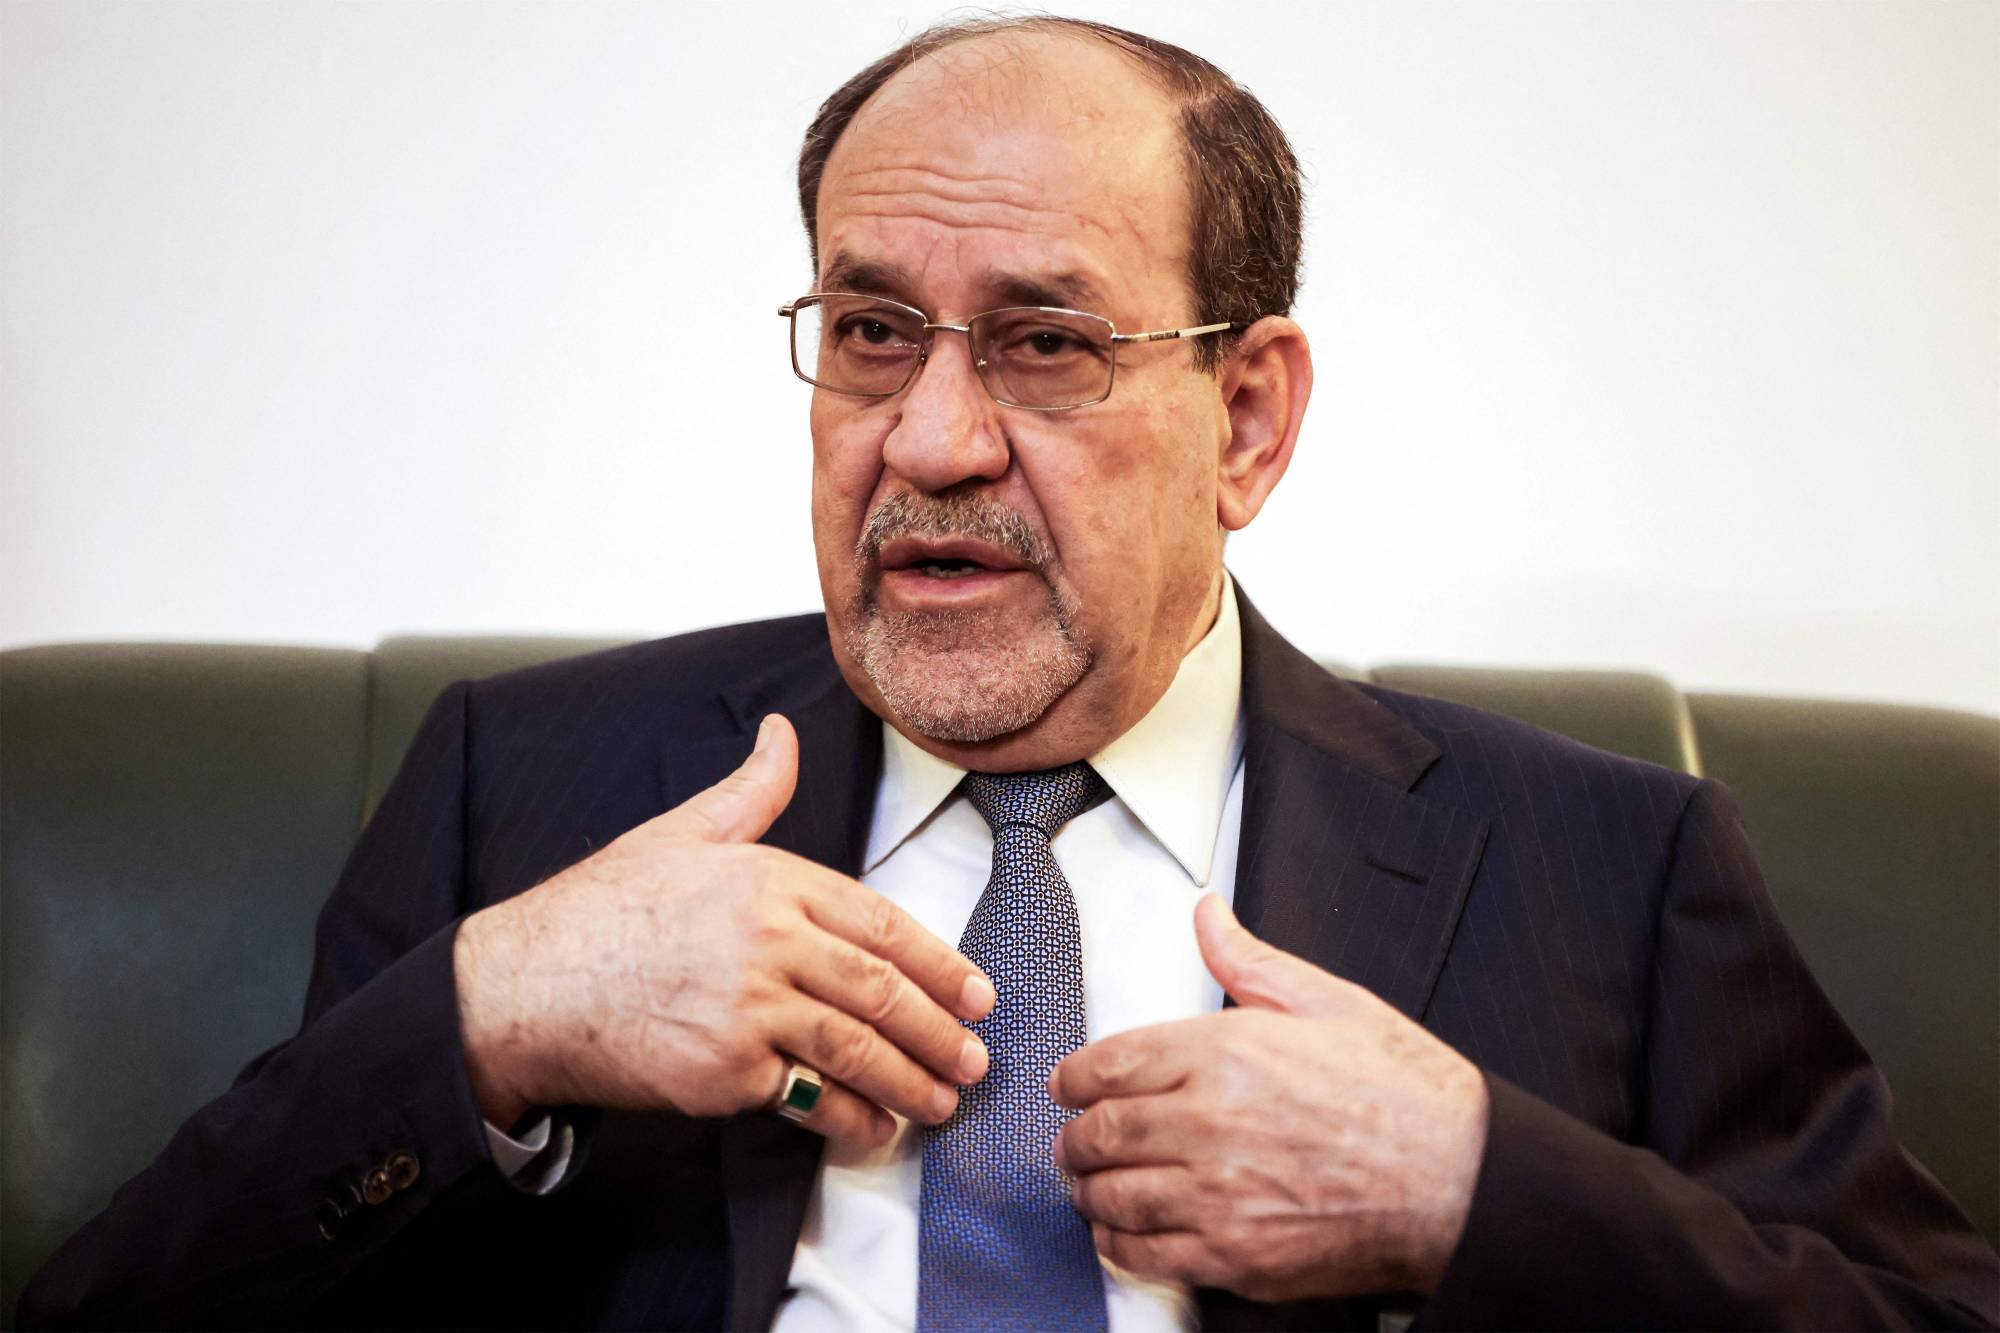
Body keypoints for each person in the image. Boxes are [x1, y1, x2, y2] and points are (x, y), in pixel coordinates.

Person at [18, 15, 1998, 1332]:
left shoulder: (1605, 868)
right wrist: (491, 1020)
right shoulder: (522, 790)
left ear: (1246, 418)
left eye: (1047, 343)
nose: (932, 438)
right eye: (873, 331)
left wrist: (1479, 1192)